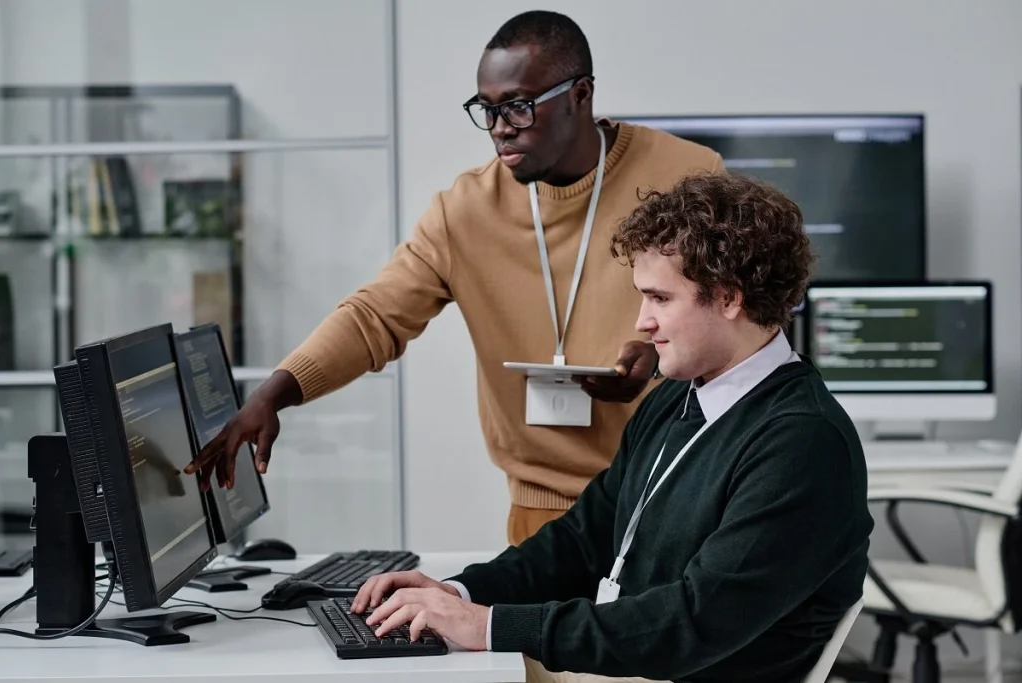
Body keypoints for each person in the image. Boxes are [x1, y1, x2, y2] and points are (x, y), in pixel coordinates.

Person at [183, 10, 724, 546]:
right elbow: (375, 317)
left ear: (580, 95)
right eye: (486, 110)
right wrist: (272, 396)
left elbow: (740, 320)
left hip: (672, 500)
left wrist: (665, 356)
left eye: (518, 106)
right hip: (542, 519)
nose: (499, 129)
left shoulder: (687, 176)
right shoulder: (465, 210)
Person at [349, 172, 874, 683]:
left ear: (730, 297)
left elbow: (692, 623)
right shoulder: (678, 398)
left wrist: (490, 625)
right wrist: (459, 593)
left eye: (660, 299)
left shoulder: (802, 443)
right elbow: (585, 541)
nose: (642, 322)